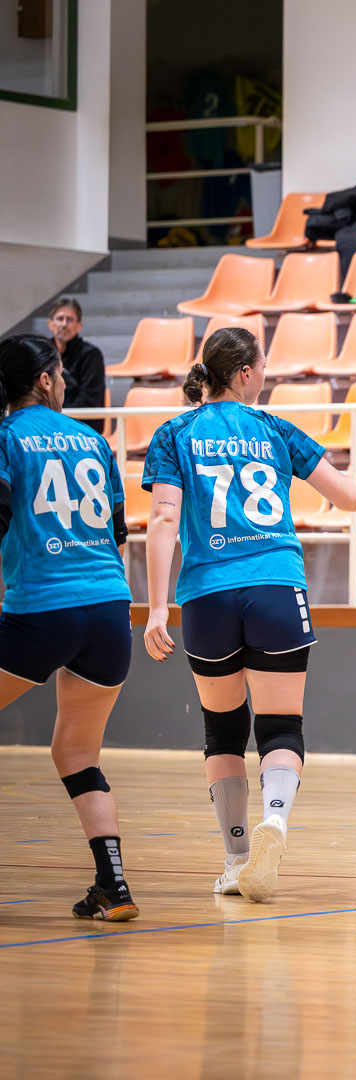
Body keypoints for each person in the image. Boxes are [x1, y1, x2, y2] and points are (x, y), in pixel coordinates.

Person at [141, 328, 356, 902]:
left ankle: (236, 857)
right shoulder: (274, 429)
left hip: (206, 595)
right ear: (245, 372)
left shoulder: (174, 433)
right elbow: (346, 496)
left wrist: (155, 609)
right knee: (280, 727)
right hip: (276, 588)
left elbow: (163, 521)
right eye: (264, 365)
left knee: (223, 730)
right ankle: (276, 819)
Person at [0, 334, 138, 921]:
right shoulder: (94, 440)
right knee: (77, 752)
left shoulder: (7, 438)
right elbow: (118, 532)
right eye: (59, 374)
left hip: (41, 607)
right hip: (109, 610)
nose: (62, 382)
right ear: (45, 380)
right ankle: (114, 886)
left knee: (73, 748)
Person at [48, 299, 106, 434]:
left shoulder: (91, 354)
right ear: (50, 324)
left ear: (79, 325)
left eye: (70, 319)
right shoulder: (42, 353)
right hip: (49, 424)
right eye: (60, 318)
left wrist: (58, 420)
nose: (64, 324)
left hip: (81, 428)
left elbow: (89, 400)